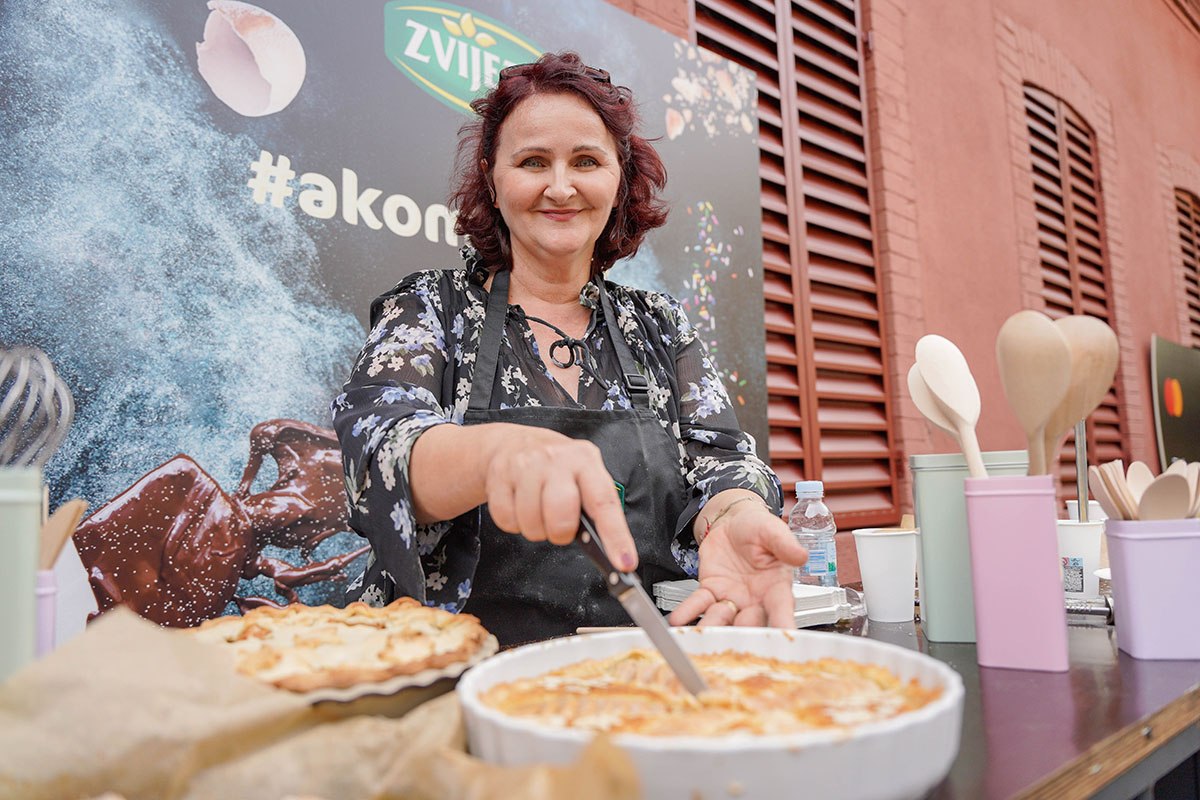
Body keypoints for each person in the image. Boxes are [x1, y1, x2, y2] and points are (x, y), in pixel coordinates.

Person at [332, 51, 807, 646]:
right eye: (533, 161)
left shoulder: (659, 326)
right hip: (450, 678)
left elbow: (725, 459)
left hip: (635, 668)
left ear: (618, 178)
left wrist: (734, 513)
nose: (561, 187)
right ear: (493, 177)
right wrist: (492, 454)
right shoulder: (430, 307)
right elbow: (375, 451)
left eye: (586, 160)